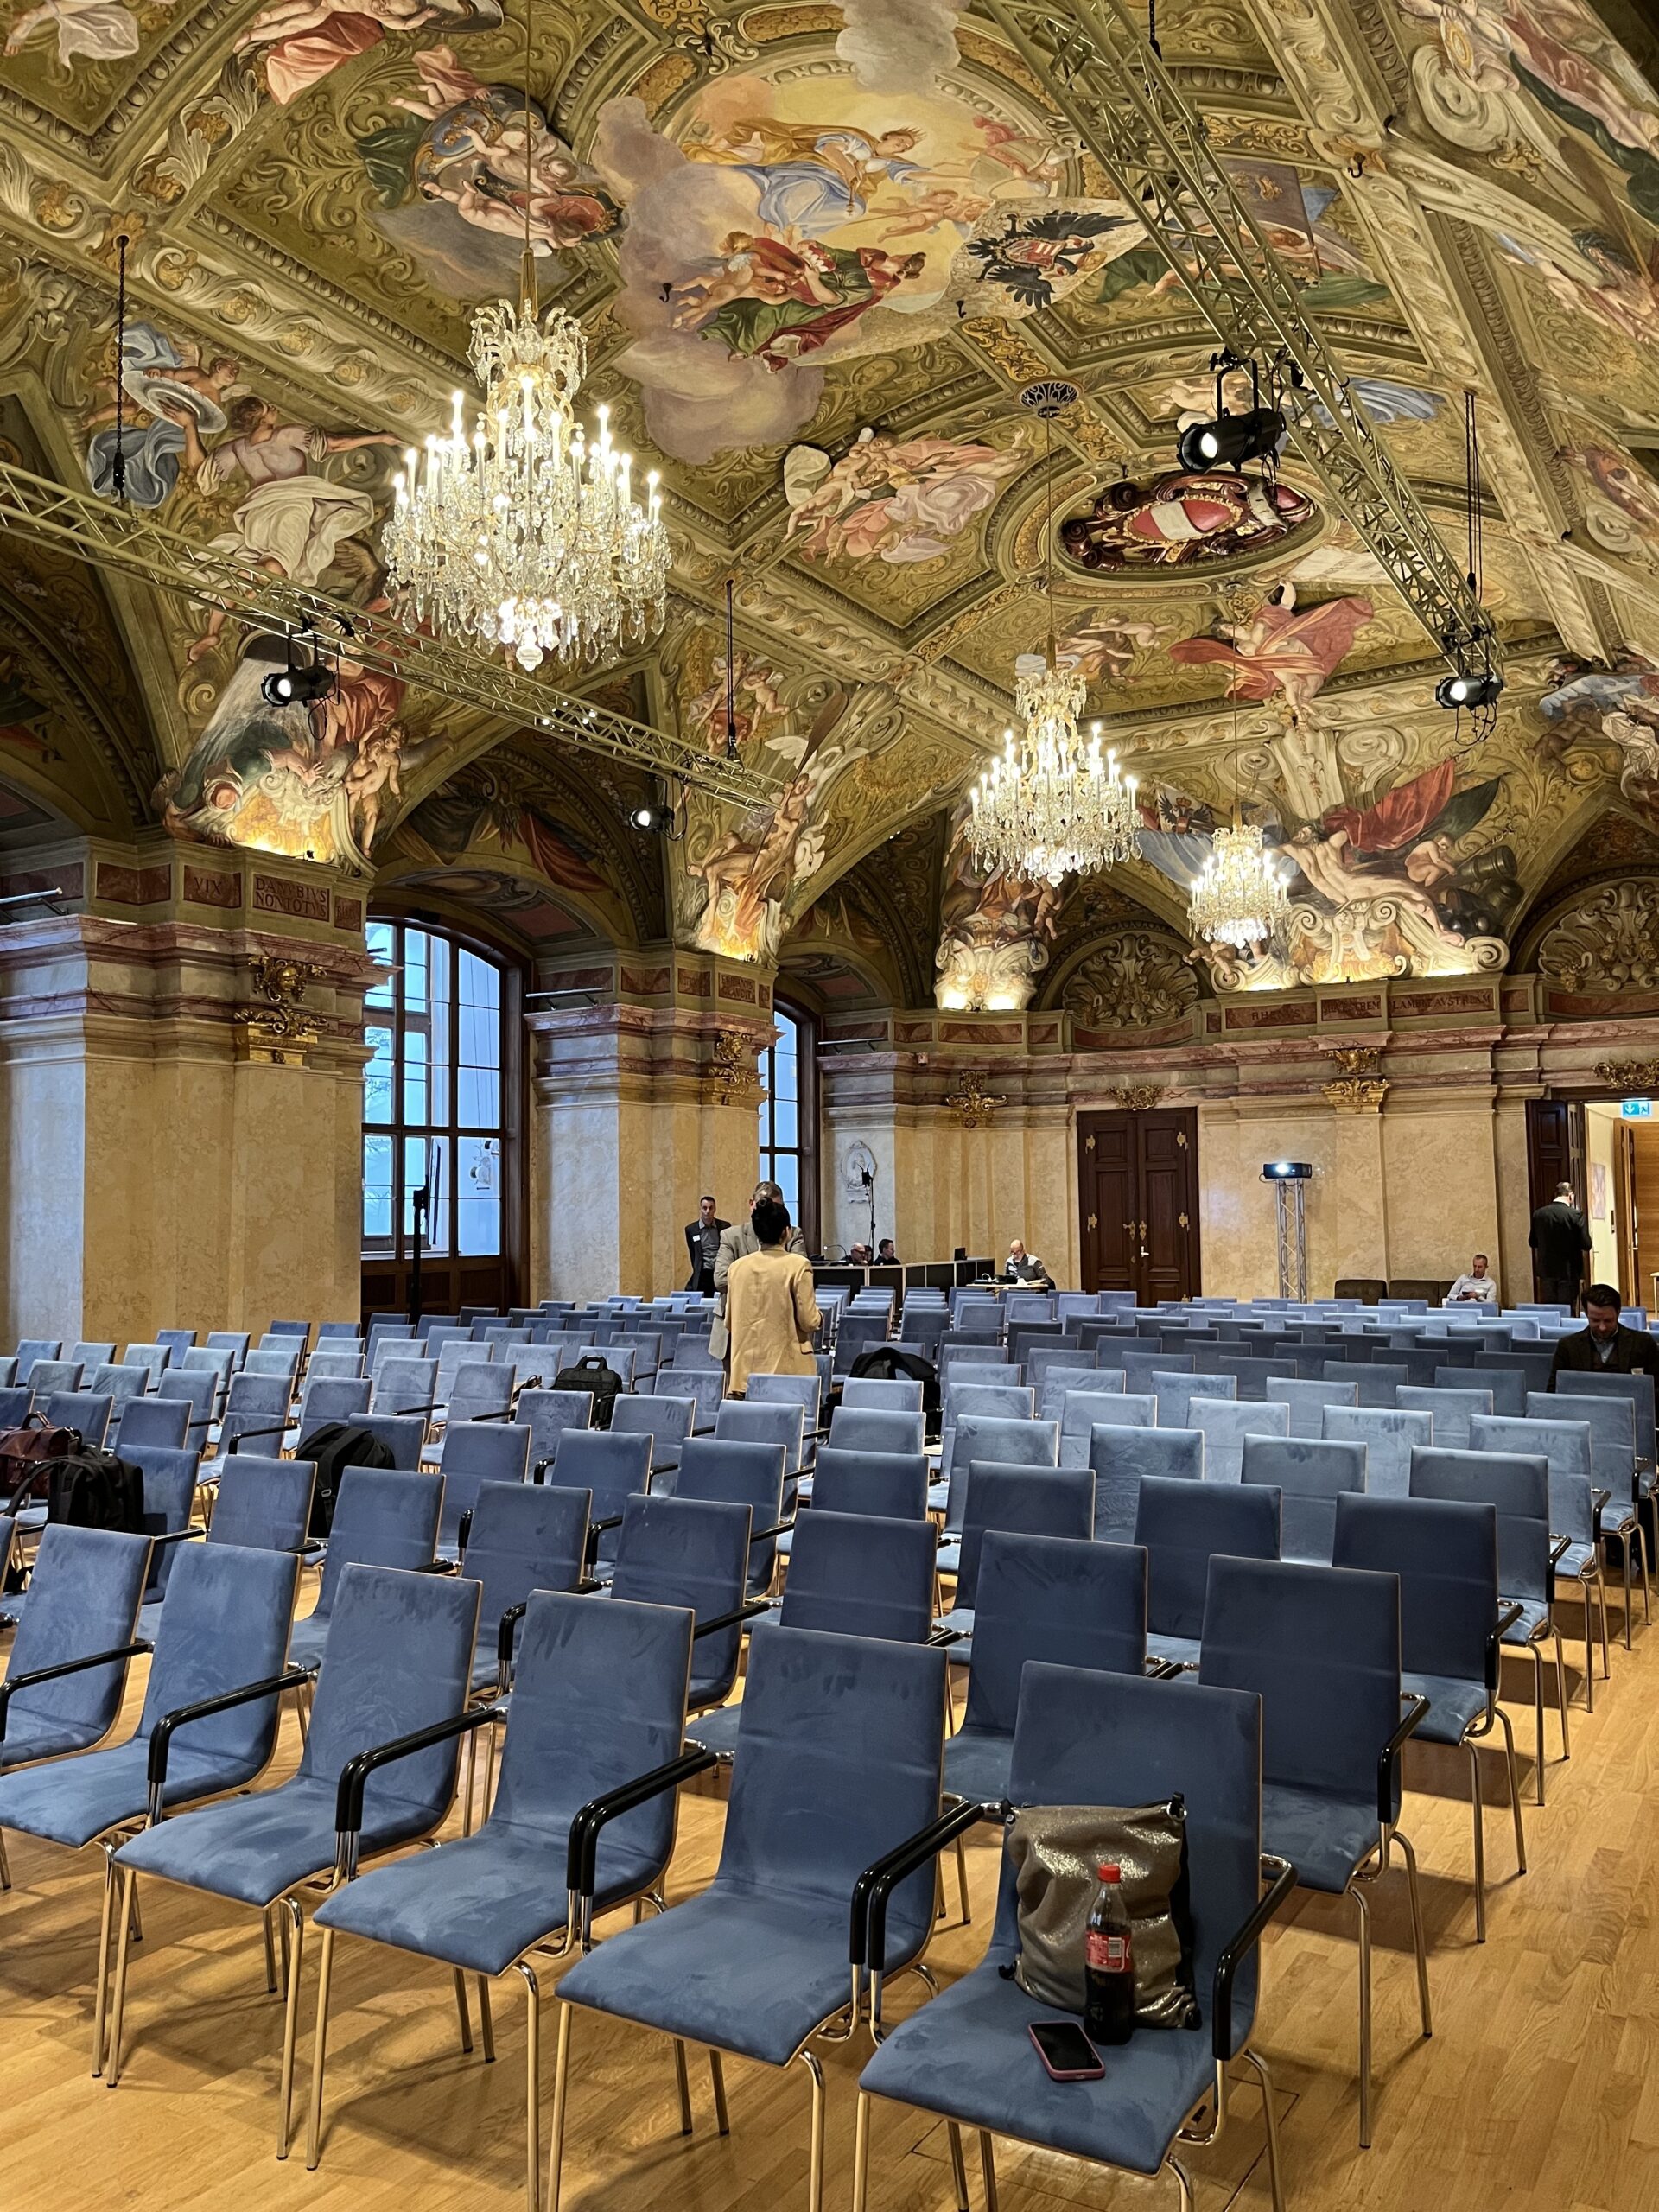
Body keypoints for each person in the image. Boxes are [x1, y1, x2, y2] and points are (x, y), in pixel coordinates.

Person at [723, 1198, 821, 1395]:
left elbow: (729, 1322)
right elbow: (809, 1321)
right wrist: (820, 1317)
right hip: (788, 1375)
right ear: (787, 1231)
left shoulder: (736, 1268)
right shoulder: (798, 1265)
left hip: (744, 1375)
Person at [709, 1179, 807, 1359]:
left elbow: (801, 1277)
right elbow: (721, 1280)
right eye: (765, 1206)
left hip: (779, 1327)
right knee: (735, 1386)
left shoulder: (792, 1234)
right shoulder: (731, 1236)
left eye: (777, 1208)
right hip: (735, 1328)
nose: (771, 1214)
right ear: (751, 1204)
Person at [1548, 1284, 1659, 1384]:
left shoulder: (1643, 1343)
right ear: (1586, 1314)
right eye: (1595, 1320)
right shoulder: (1568, 1346)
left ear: (1618, 1313)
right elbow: (1554, 1390)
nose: (1602, 1327)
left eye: (1608, 1321)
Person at [1529, 1181, 1592, 1311]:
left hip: (1546, 1271)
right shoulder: (1576, 1215)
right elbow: (1586, 1244)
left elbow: (1533, 1242)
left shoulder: (1539, 1214)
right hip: (1569, 1271)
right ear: (1570, 1195)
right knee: (1567, 1309)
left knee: (1550, 1311)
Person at [683, 1193, 728, 1296]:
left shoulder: (724, 1226)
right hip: (702, 1274)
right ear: (701, 1209)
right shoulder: (691, 1229)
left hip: (718, 1272)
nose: (707, 1211)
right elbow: (693, 1253)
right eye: (705, 1208)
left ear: (715, 1209)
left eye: (710, 1208)